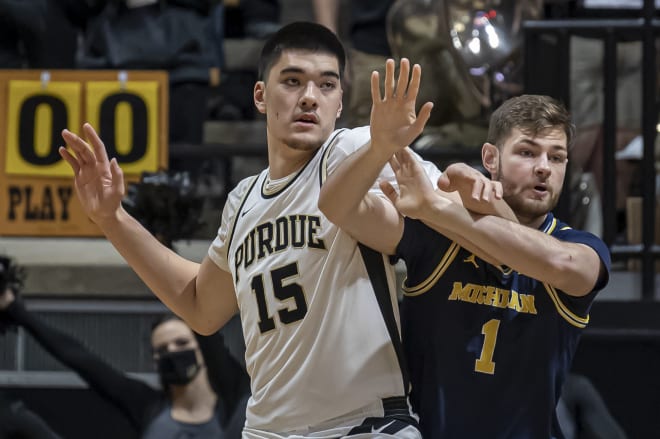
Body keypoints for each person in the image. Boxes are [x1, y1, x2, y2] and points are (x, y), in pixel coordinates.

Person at [58, 21, 489, 438]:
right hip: (268, 431)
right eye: (293, 81)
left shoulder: (354, 150)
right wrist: (111, 220)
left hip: (363, 426)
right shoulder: (243, 199)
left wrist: (482, 191)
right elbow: (198, 306)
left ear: (341, 103)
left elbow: (454, 205)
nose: (309, 98)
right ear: (261, 95)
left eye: (326, 85)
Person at [319, 92, 611, 438]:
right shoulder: (439, 236)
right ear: (490, 157)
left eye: (557, 157)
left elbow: (561, 264)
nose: (544, 167)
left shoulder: (577, 245)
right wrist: (379, 147)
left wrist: (437, 207)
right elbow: (338, 207)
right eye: (527, 152)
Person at [0, 285, 249, 439]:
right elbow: (81, 359)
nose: (172, 352)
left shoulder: (233, 404)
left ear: (201, 349)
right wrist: (15, 309)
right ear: (154, 360)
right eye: (162, 349)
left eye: (181, 344)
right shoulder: (146, 406)